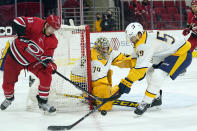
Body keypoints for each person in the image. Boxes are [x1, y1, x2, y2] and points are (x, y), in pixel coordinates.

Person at [118, 22, 192, 115]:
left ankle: (146, 102)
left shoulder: (144, 44)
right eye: (130, 38)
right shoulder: (143, 38)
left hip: (182, 54)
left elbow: (140, 70)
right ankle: (156, 98)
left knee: (158, 74)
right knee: (150, 72)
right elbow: (135, 61)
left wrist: (127, 82)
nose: (131, 40)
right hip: (170, 54)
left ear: (139, 34)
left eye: (132, 38)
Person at [0, 14, 61, 113]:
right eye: (52, 28)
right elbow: (18, 20)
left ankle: (43, 102)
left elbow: (47, 57)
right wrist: (22, 35)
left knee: (46, 74)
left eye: (55, 29)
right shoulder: (36, 22)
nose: (53, 31)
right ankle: (9, 98)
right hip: (14, 58)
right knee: (8, 82)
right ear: (47, 24)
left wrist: (51, 65)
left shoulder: (53, 41)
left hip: (32, 62)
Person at [70, 36, 136, 112]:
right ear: (98, 48)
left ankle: (90, 94)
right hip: (79, 80)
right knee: (105, 100)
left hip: (86, 76)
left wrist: (135, 61)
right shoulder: (96, 59)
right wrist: (117, 91)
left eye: (106, 47)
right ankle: (90, 95)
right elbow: (98, 81)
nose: (105, 50)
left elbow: (121, 58)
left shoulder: (108, 51)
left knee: (108, 73)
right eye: (102, 48)